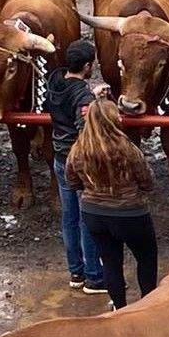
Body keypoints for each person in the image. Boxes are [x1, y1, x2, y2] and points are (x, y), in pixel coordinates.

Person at [65, 95, 158, 309]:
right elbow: (148, 181)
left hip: (94, 214)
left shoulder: (78, 150)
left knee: (110, 263)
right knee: (146, 259)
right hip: (131, 214)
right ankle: (148, 306)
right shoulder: (128, 149)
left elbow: (71, 182)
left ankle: (119, 307)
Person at [45, 38, 104, 293]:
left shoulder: (54, 82)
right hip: (78, 163)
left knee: (69, 217)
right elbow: (85, 129)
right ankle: (94, 276)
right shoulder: (82, 95)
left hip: (59, 158)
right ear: (88, 66)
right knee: (86, 218)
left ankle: (76, 273)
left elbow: (73, 95)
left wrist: (92, 94)